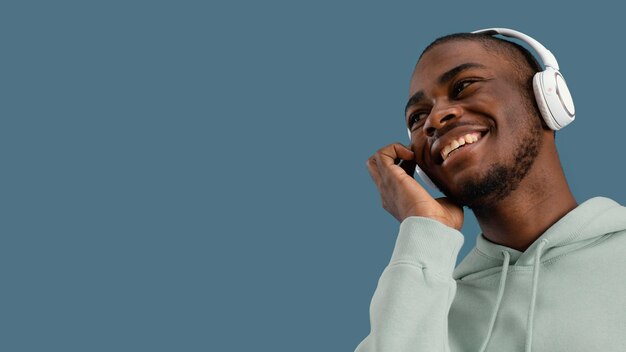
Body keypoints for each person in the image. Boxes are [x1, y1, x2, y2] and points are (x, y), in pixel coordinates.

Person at [356, 29, 626, 352]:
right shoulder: (422, 303)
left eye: (464, 86)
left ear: (547, 98)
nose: (434, 119)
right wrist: (424, 229)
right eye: (417, 118)